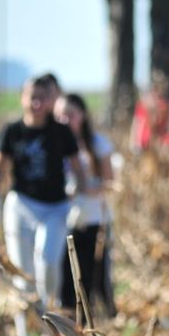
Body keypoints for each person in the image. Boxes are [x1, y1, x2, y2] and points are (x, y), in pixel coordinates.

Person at [0, 75, 82, 331]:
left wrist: (76, 190)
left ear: (50, 101)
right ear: (23, 98)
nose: (37, 104)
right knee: (22, 272)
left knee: (48, 262)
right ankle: (24, 328)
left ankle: (52, 319)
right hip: (21, 205)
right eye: (32, 98)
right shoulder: (12, 131)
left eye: (42, 98)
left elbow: (76, 167)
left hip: (55, 207)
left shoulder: (61, 132)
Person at [55, 92, 115, 320]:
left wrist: (85, 189)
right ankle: (68, 318)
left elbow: (109, 182)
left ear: (82, 115)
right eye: (60, 115)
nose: (64, 120)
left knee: (91, 273)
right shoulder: (54, 144)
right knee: (65, 272)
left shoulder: (98, 144)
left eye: (70, 115)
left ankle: (93, 317)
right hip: (64, 217)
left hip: (93, 218)